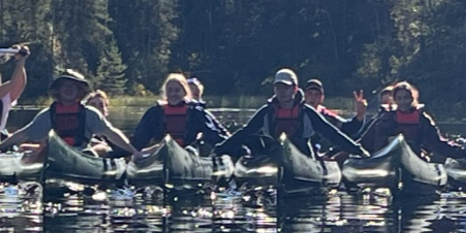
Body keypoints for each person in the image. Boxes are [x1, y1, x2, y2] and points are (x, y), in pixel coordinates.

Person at [216, 68, 368, 158]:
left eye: (286, 88)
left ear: (295, 89)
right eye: (278, 88)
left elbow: (332, 134)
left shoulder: (307, 112)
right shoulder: (266, 112)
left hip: (304, 155)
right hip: (274, 153)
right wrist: (220, 149)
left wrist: (358, 151)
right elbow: (245, 133)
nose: (282, 92)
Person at [0, 69, 140, 158]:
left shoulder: (89, 113)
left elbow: (111, 133)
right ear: (59, 91)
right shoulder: (48, 114)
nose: (69, 90)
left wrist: (133, 151)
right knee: (40, 153)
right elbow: (23, 134)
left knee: (92, 154)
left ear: (79, 91)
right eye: (65, 87)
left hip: (82, 154)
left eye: (73, 87)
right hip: (56, 155)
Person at [360, 81, 466, 161]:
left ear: (412, 99)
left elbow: (437, 144)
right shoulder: (386, 119)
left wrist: (462, 152)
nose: (403, 102)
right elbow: (373, 142)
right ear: (394, 100)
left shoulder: (422, 119)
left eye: (406, 98)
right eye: (399, 98)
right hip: (387, 158)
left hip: (416, 158)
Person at [130, 73, 228, 154]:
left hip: (189, 151)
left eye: (177, 90)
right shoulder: (155, 112)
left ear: (184, 92)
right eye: (170, 90)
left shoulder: (196, 112)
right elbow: (140, 137)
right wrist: (127, 151)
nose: (173, 94)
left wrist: (230, 147)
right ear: (165, 93)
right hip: (161, 150)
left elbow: (213, 135)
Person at [303, 78, 368, 140]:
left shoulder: (325, 115)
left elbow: (348, 128)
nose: (313, 97)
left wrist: (360, 114)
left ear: (321, 98)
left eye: (316, 94)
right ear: (305, 95)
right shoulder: (297, 110)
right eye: (310, 93)